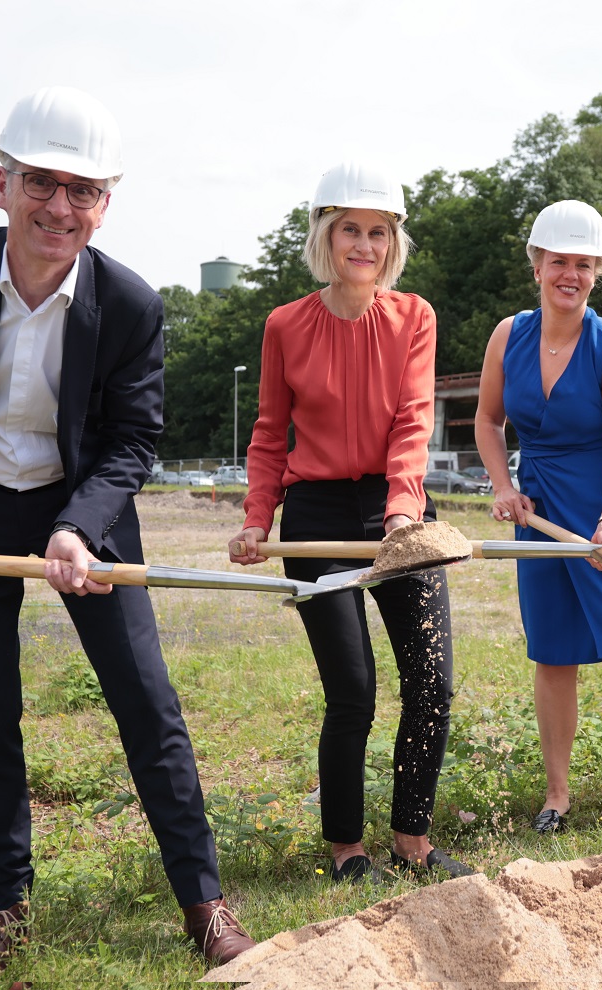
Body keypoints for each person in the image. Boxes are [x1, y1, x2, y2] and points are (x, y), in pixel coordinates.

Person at [0, 86, 255, 979]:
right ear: (3, 184)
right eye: (41, 182)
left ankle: (204, 902)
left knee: (147, 700)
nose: (60, 207)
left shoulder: (131, 303)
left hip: (82, 505)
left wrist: (76, 528)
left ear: (106, 204)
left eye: (83, 190)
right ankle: (7, 907)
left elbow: (133, 439)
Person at [228, 161, 472, 884]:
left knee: (431, 683)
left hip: (399, 512)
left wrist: (402, 511)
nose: (364, 245)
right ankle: (346, 849)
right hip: (317, 515)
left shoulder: (414, 317)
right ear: (325, 236)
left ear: (393, 243)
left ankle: (412, 840)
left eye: (378, 232)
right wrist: (257, 519)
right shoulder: (285, 326)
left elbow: (413, 420)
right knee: (353, 692)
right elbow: (269, 433)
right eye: (350, 231)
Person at [475, 200, 602, 841]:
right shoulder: (509, 336)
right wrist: (505, 488)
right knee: (554, 653)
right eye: (560, 261)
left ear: (597, 272)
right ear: (537, 265)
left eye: (584, 264)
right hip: (542, 510)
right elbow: (488, 421)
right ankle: (557, 796)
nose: (571, 275)